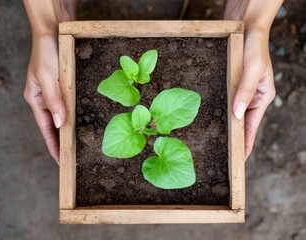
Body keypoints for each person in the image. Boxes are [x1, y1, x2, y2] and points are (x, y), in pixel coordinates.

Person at [22, 0, 283, 164]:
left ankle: (238, 9)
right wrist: (47, 25)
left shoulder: (144, 110)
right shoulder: (139, 106)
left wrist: (254, 22)